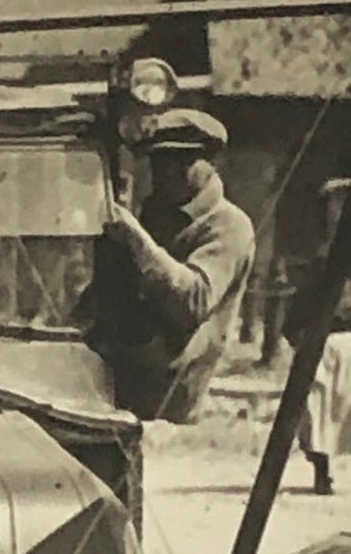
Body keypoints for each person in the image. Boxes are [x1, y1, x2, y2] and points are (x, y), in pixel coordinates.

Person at [96, 109, 256, 422]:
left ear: (211, 163)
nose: (164, 171)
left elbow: (193, 299)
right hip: (117, 384)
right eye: (157, 162)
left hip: (170, 403)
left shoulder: (228, 225)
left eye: (179, 162)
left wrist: (138, 242)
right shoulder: (157, 213)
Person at [282, 178, 351, 495]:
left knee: (340, 405)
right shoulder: (319, 251)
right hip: (319, 336)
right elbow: (308, 291)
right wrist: (297, 328)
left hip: (344, 336)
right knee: (316, 406)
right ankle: (320, 468)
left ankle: (325, 465)